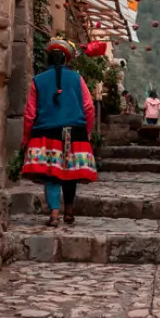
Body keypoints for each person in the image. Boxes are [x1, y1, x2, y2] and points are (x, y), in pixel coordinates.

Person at [21, 38, 97, 227]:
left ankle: (54, 213)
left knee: (52, 172)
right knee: (70, 171)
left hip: (46, 132)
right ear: (65, 60)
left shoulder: (37, 81)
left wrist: (26, 138)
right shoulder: (77, 79)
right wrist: (87, 132)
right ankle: (69, 211)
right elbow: (88, 107)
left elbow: (30, 113)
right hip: (75, 129)